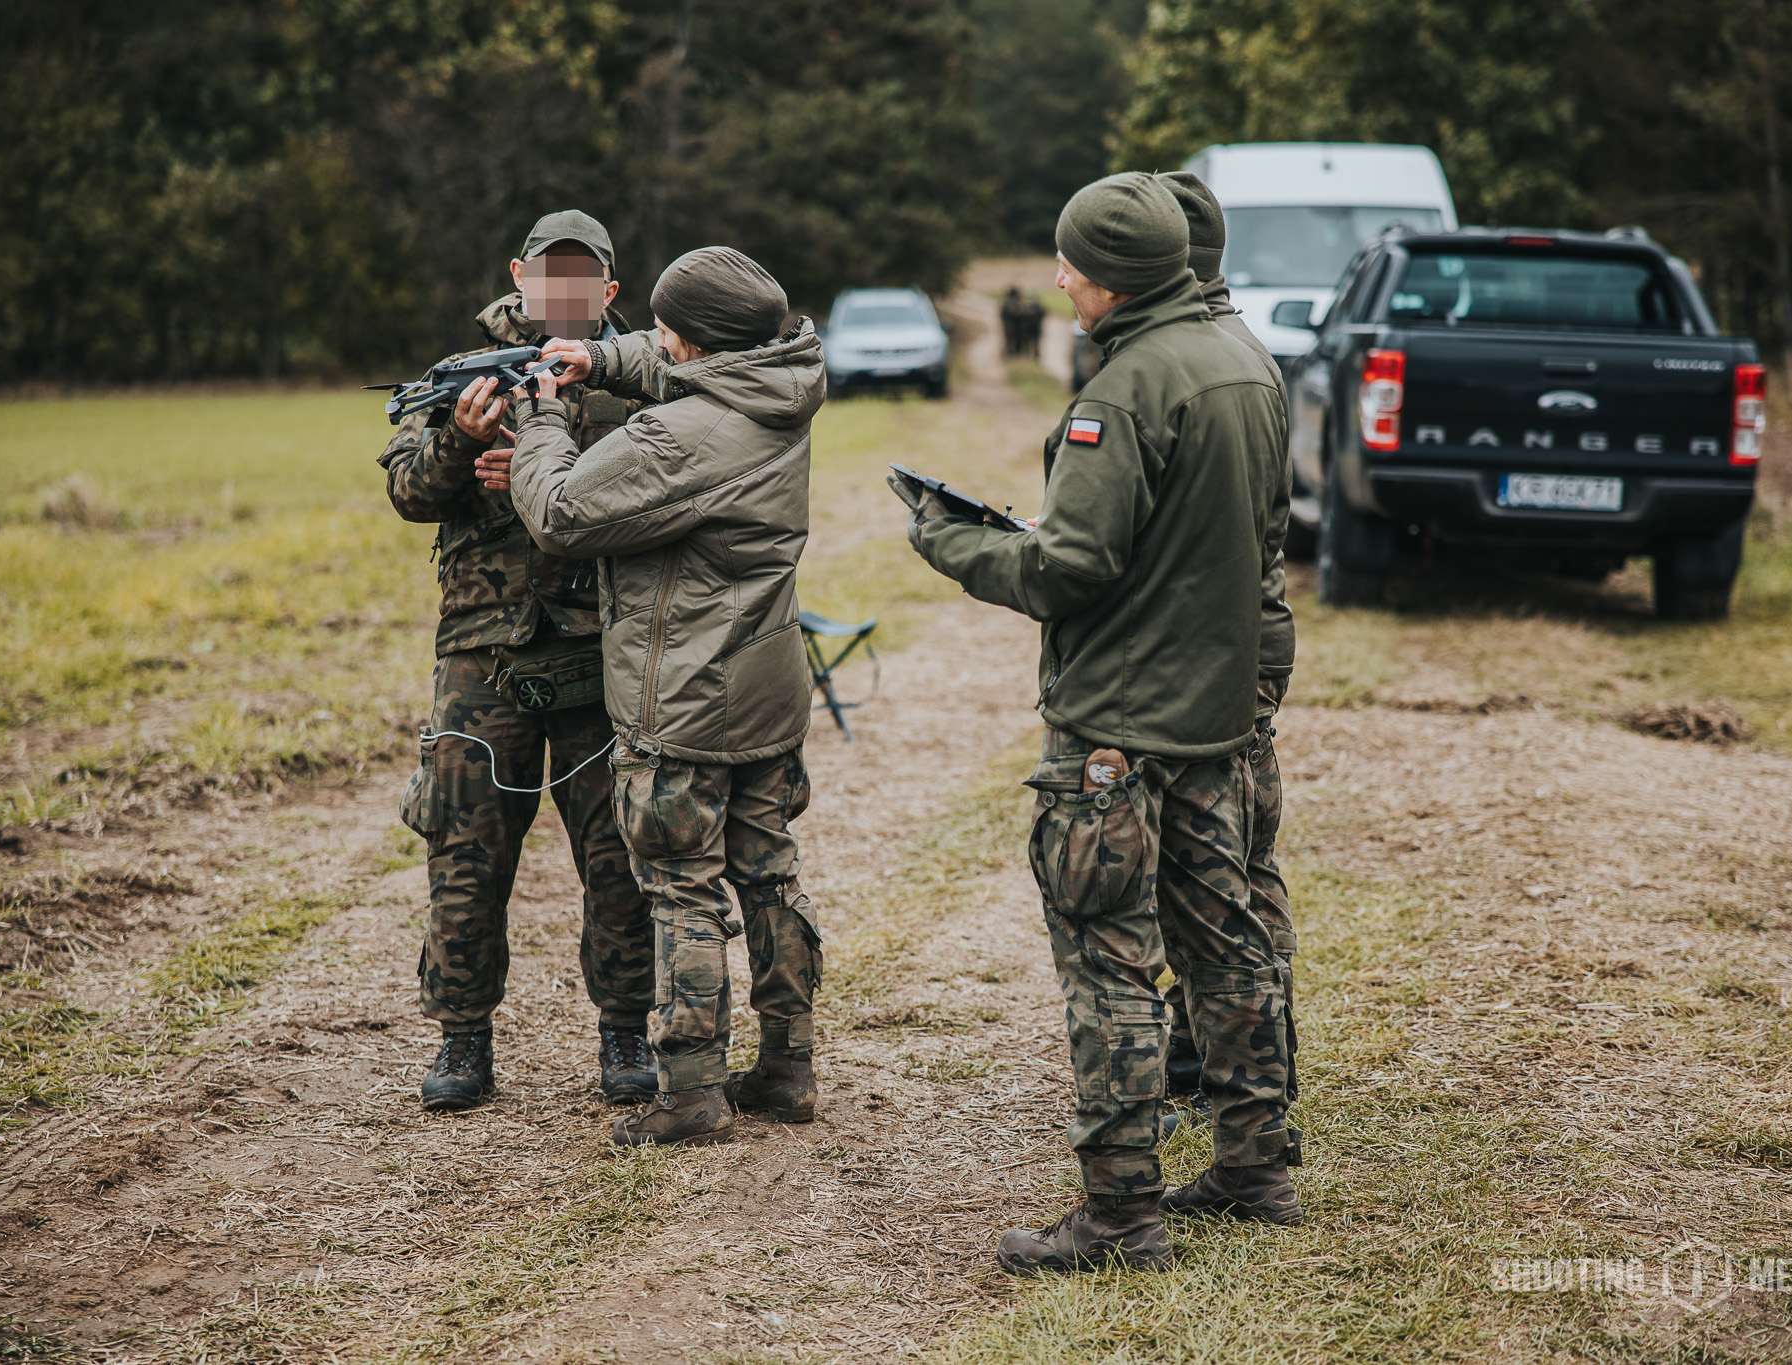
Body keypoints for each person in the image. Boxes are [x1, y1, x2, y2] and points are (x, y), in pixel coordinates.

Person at [903, 172, 1301, 1275]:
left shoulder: (1121, 392)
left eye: (1071, 264)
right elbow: (1244, 538)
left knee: (1109, 966)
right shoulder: (1245, 364)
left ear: (1111, 277)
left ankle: (1120, 1218)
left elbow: (1069, 568)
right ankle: (1255, 1170)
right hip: (1218, 719)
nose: (1061, 280)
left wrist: (949, 540)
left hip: (1119, 732)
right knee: (1226, 946)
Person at [480, 246, 826, 1148]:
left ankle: (691, 1092)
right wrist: (602, 359)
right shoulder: (778, 383)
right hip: (764, 684)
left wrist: (544, 413)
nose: (653, 341)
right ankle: (789, 1067)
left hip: (683, 696)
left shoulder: (678, 438)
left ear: (688, 338)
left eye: (661, 329)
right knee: (770, 876)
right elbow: (680, 374)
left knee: (681, 890)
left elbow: (558, 511)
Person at [381, 211, 659, 1114]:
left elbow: (677, 486)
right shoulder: (460, 376)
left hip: (596, 646)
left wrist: (556, 468)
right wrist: (462, 447)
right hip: (481, 652)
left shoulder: (641, 379)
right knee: (465, 853)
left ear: (610, 291)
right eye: (551, 274)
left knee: (618, 855)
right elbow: (406, 491)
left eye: (586, 278)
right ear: (521, 276)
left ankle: (625, 1030)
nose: (567, 290)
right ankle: (462, 1039)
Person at [1153, 171, 1298, 1107]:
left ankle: (1235, 1061)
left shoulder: (1195, 359)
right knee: (1243, 855)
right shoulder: (1239, 346)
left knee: (1214, 866)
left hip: (1215, 643)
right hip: (1252, 632)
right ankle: (1234, 1048)